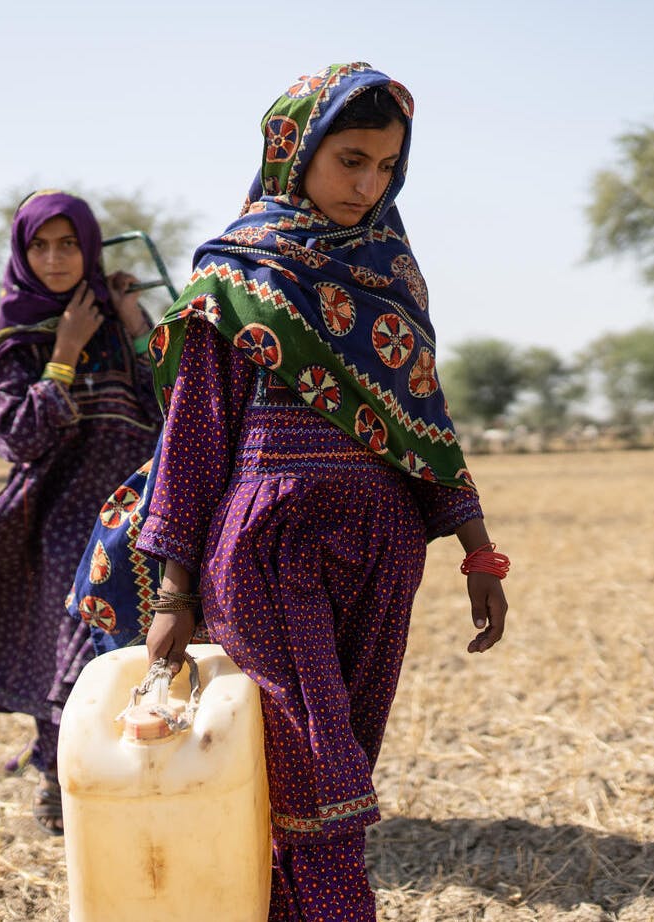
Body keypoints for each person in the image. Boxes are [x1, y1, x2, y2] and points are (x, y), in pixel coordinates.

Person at [132, 63, 509, 920]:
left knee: (328, 771)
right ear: (295, 151)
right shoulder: (233, 280)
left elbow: (426, 421)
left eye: (386, 167)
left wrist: (476, 545)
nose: (367, 184)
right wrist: (174, 590)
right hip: (271, 547)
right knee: (320, 779)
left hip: (383, 551)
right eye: (351, 160)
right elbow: (193, 440)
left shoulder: (395, 279)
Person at [0, 191, 163, 836]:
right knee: (72, 651)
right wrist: (65, 352)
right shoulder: (17, 339)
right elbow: (18, 437)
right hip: (62, 515)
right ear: (22, 251)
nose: (55, 258)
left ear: (91, 246)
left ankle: (140, 780)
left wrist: (136, 327)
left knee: (146, 646)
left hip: (141, 502)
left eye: (69, 244)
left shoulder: (123, 310)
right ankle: (57, 782)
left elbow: (174, 404)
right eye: (40, 245)